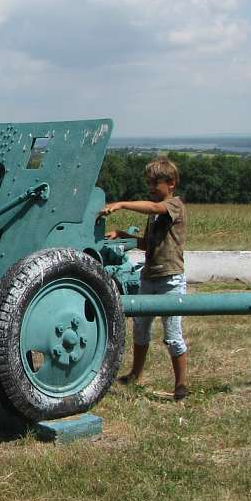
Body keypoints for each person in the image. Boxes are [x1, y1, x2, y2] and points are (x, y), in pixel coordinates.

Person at [100, 156, 189, 401]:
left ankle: (180, 384)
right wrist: (121, 234)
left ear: (171, 183)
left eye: (154, 183)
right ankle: (135, 374)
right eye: (148, 183)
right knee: (140, 329)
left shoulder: (174, 205)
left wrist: (122, 204)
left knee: (172, 335)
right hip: (149, 277)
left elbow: (154, 208)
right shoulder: (154, 215)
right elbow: (147, 243)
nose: (150, 188)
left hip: (170, 279)